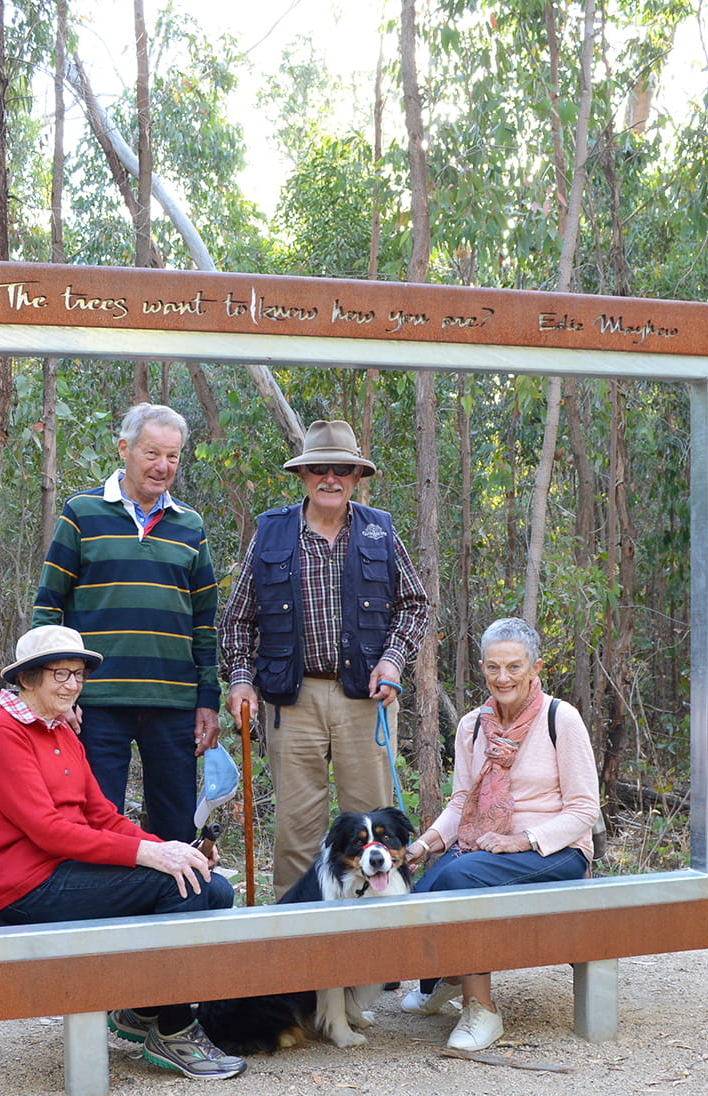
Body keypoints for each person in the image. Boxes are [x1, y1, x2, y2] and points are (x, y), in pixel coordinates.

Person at [0, 624, 244, 1080]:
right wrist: (148, 858)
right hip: (29, 886)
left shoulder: (61, 733)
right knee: (180, 883)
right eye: (60, 674)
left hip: (72, 870)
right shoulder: (0, 734)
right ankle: (173, 1030)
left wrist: (172, 848)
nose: (72, 684)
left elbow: (103, 815)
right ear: (29, 678)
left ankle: (143, 1010)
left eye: (78, 674)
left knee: (213, 888)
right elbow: (48, 832)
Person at [218, 419, 432, 888]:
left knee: (376, 830)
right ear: (303, 475)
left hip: (367, 700)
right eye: (319, 468)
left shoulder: (380, 531)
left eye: (341, 469)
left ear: (357, 478)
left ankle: (378, 936)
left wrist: (394, 659)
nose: (329, 478)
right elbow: (236, 620)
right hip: (291, 701)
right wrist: (239, 679)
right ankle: (298, 939)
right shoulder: (271, 533)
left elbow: (415, 604)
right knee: (297, 828)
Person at [400, 617, 601, 1052]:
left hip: (555, 850)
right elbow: (459, 805)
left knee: (459, 879)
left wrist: (522, 840)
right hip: (486, 846)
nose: (503, 677)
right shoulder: (473, 725)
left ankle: (482, 1009)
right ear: (481, 667)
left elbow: (585, 810)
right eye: (493, 667)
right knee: (423, 888)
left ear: (535, 667)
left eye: (514, 667)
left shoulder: (559, 719)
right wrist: (425, 844)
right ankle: (445, 979)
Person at [32, 402, 220, 843]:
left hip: (172, 703)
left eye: (172, 456)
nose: (163, 466)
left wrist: (207, 699)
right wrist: (51, 692)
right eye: (152, 453)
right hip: (95, 701)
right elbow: (48, 608)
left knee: (178, 825)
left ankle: (176, 909)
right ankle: (102, 911)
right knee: (95, 821)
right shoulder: (81, 514)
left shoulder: (190, 526)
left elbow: (205, 622)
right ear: (124, 448)